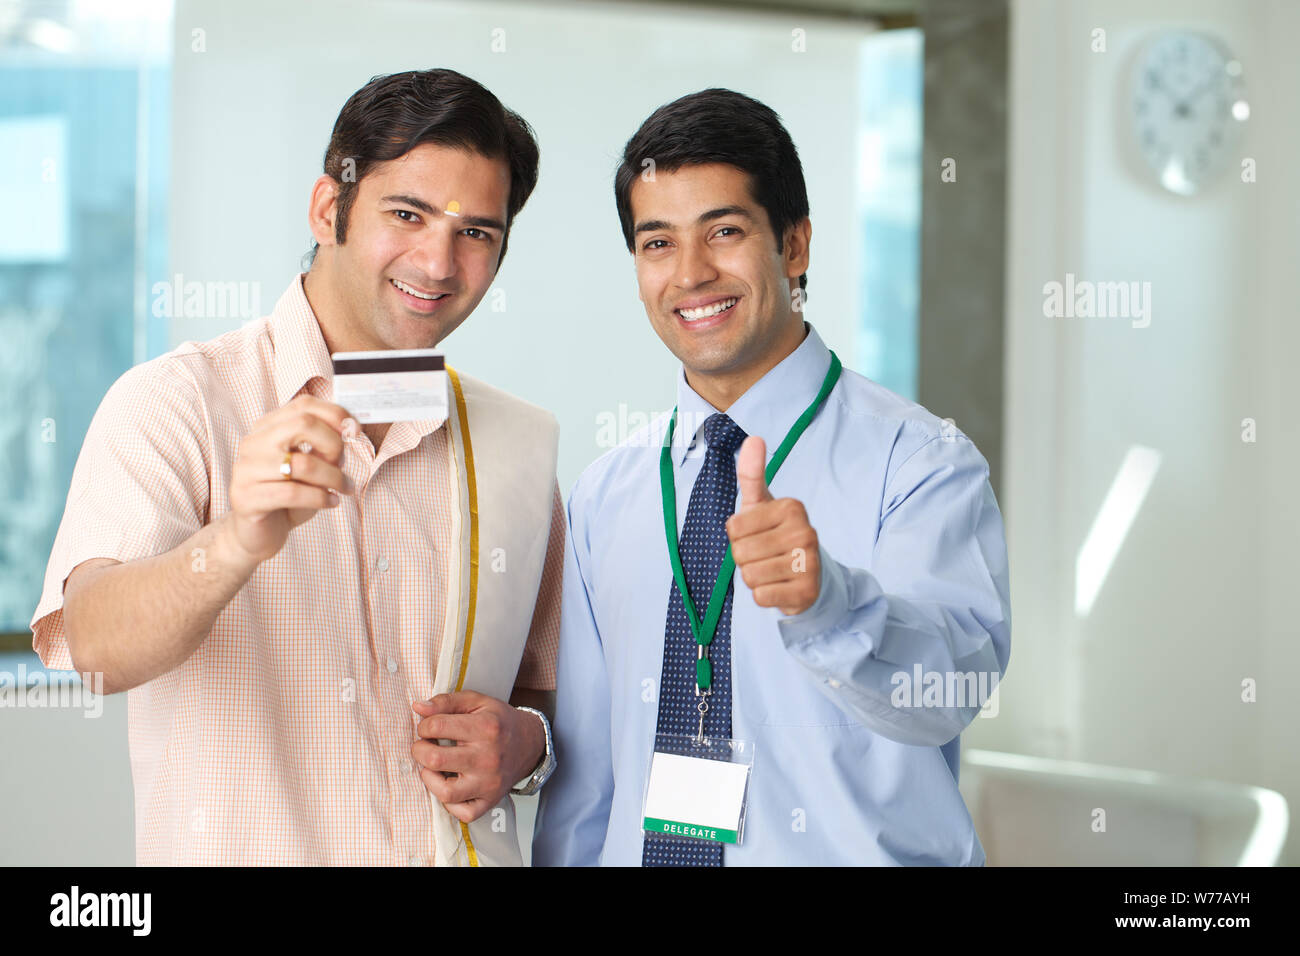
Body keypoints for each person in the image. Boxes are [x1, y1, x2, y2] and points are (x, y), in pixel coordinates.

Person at [30, 69, 562, 866]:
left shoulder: (516, 445)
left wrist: (526, 742)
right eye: (407, 214)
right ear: (328, 207)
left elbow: (543, 689)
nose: (440, 261)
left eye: (477, 233)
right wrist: (236, 540)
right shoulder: (175, 402)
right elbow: (96, 650)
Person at [533, 88, 1011, 866]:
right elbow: (588, 777)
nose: (690, 274)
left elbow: (951, 692)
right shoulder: (606, 492)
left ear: (794, 246)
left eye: (723, 231)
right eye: (658, 243)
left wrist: (830, 602)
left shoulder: (919, 461)